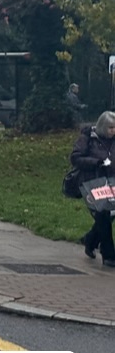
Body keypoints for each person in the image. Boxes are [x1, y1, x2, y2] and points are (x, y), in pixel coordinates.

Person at [70, 110, 115, 267]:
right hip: (92, 181)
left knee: (111, 213)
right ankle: (109, 254)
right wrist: (97, 162)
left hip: (111, 181)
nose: (113, 131)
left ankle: (91, 239)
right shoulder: (89, 138)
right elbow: (76, 157)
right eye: (110, 127)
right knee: (102, 214)